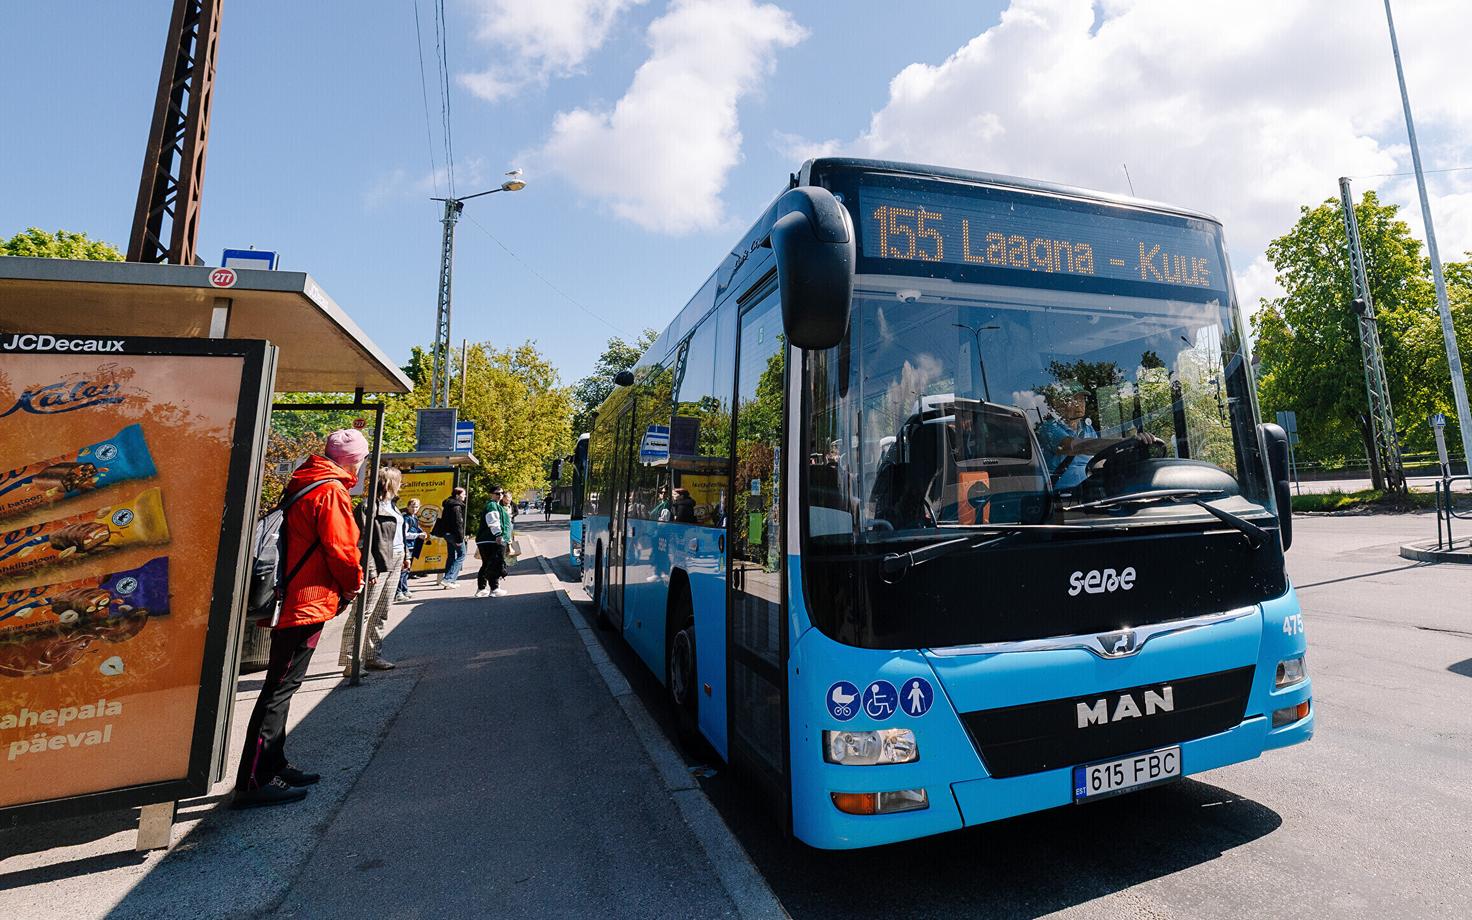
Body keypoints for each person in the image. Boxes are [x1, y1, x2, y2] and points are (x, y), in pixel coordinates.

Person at [234, 429, 366, 809]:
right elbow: (342, 550)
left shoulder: (305, 482)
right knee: (278, 690)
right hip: (307, 601)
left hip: (292, 596)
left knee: (282, 687)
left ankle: (274, 764)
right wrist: (352, 586)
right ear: (353, 459)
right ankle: (254, 780)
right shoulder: (331, 491)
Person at [341, 466, 406, 674]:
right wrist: (370, 569)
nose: (401, 485)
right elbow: (362, 541)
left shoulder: (393, 506)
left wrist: (405, 556)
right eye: (399, 481)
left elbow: (397, 534)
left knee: (382, 610)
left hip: (395, 558)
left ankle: (372, 656)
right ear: (389, 483)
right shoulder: (368, 506)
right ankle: (351, 661)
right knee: (363, 612)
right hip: (377, 562)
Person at [1036, 385, 1099, 491]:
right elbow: (1072, 447)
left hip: (1090, 491)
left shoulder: (1087, 428)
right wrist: (1117, 443)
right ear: (1060, 405)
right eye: (1074, 400)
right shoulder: (1049, 428)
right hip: (1062, 496)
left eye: (1082, 400)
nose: (1080, 404)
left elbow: (1098, 457)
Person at [474, 488, 508, 598]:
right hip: (491, 539)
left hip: (486, 539)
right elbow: (492, 520)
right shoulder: (492, 505)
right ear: (491, 494)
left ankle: (481, 588)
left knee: (486, 564)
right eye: (497, 493)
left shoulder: (496, 505)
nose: (500, 495)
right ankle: (494, 589)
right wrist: (498, 534)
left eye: (502, 493)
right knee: (495, 563)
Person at [433, 486, 468, 587]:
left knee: (451, 556)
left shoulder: (448, 504)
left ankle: (448, 581)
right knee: (462, 554)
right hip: (454, 534)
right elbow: (458, 524)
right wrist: (459, 538)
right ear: (457, 495)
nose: (465, 496)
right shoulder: (456, 506)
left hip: (446, 534)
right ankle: (449, 579)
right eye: (463, 494)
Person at [395, 498, 425, 601]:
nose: (414, 509)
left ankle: (404, 589)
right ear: (408, 507)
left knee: (407, 570)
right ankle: (398, 592)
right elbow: (405, 534)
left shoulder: (415, 518)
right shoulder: (406, 518)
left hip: (413, 546)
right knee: (403, 570)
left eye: (416, 507)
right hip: (406, 546)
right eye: (412, 506)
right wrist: (418, 535)